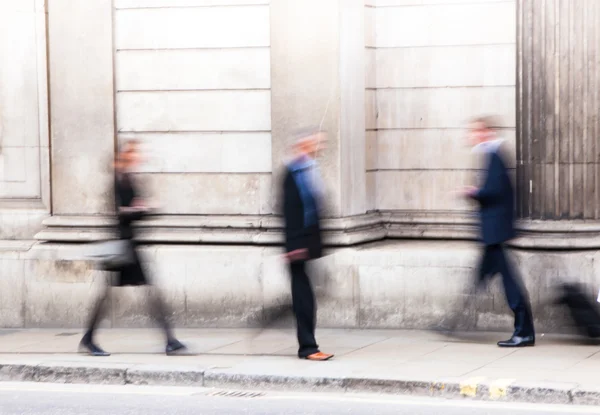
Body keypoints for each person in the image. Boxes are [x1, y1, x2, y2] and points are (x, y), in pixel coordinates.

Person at [79, 140, 185, 356]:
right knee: (132, 294)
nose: (139, 157)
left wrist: (147, 209)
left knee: (142, 293)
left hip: (130, 245)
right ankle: (89, 338)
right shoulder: (119, 180)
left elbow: (134, 209)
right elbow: (120, 213)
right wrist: (140, 208)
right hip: (123, 247)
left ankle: (170, 340)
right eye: (135, 154)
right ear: (126, 157)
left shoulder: (129, 178)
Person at [460, 116, 535, 347]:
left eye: (475, 131)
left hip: (495, 232)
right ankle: (453, 323)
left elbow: (494, 191)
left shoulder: (494, 155)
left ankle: (524, 332)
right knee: (483, 279)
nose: (471, 136)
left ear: (486, 132)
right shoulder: (492, 155)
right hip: (494, 233)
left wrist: (473, 192)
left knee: (510, 284)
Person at [281, 128, 333, 361]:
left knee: (304, 296)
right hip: (297, 248)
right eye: (316, 142)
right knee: (303, 298)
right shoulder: (292, 173)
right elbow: (289, 211)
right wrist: (294, 246)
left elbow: (315, 208)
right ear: (303, 145)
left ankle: (307, 343)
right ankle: (308, 348)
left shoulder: (310, 169)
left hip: (306, 246)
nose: (320, 146)